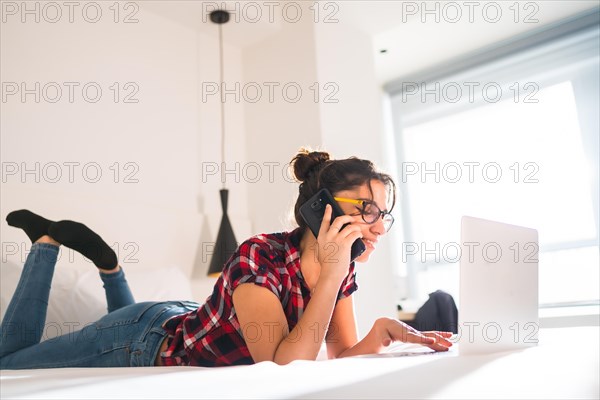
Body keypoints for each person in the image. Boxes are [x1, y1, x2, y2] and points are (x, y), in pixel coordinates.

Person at [0, 149, 453, 369]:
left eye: (384, 215)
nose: (378, 227)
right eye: (366, 210)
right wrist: (333, 274)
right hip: (147, 338)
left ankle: (111, 269)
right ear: (322, 209)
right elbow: (282, 369)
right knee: (7, 365)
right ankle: (44, 243)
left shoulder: (342, 268)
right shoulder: (259, 256)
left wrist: (379, 335)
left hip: (181, 319)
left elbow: (337, 359)